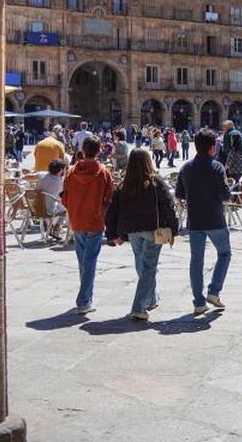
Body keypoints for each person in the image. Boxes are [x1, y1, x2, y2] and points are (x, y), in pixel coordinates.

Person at [104, 148, 179, 320]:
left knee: (142, 264)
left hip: (132, 232)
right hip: (153, 230)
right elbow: (168, 205)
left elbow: (112, 211)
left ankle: (151, 298)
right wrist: (174, 229)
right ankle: (139, 306)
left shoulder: (124, 185)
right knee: (148, 268)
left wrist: (112, 234)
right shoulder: (155, 182)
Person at [176, 128, 232, 315]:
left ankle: (199, 302)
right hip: (215, 219)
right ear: (211, 147)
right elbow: (226, 194)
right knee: (224, 253)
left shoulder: (186, 167)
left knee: (196, 260)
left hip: (195, 220)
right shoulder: (217, 167)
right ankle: (214, 291)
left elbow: (180, 194)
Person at [59, 136, 114, 314]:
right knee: (90, 261)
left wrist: (74, 209)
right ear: (99, 151)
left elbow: (65, 197)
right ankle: (83, 300)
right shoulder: (103, 172)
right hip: (95, 220)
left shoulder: (72, 171)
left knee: (83, 260)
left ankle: (87, 297)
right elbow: (109, 198)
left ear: (83, 150)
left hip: (77, 220)